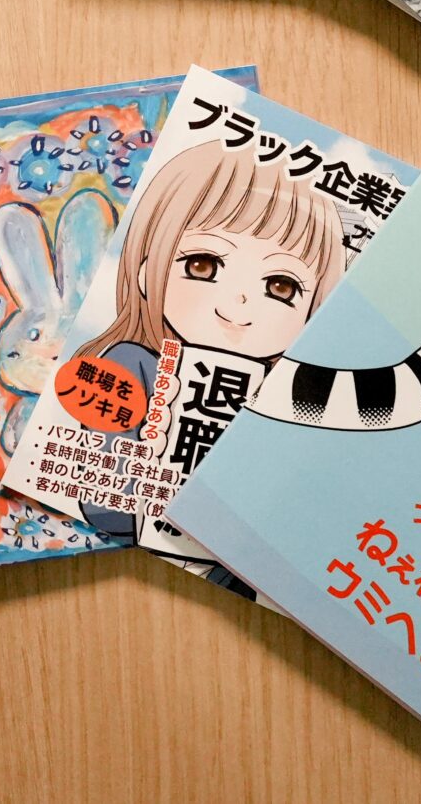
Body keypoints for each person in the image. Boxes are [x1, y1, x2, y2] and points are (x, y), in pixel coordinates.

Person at [70, 138, 346, 562]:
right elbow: (104, 507)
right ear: (146, 271)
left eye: (280, 286)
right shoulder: (131, 365)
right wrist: (152, 466)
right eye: (203, 265)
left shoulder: (283, 396)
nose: (237, 307)